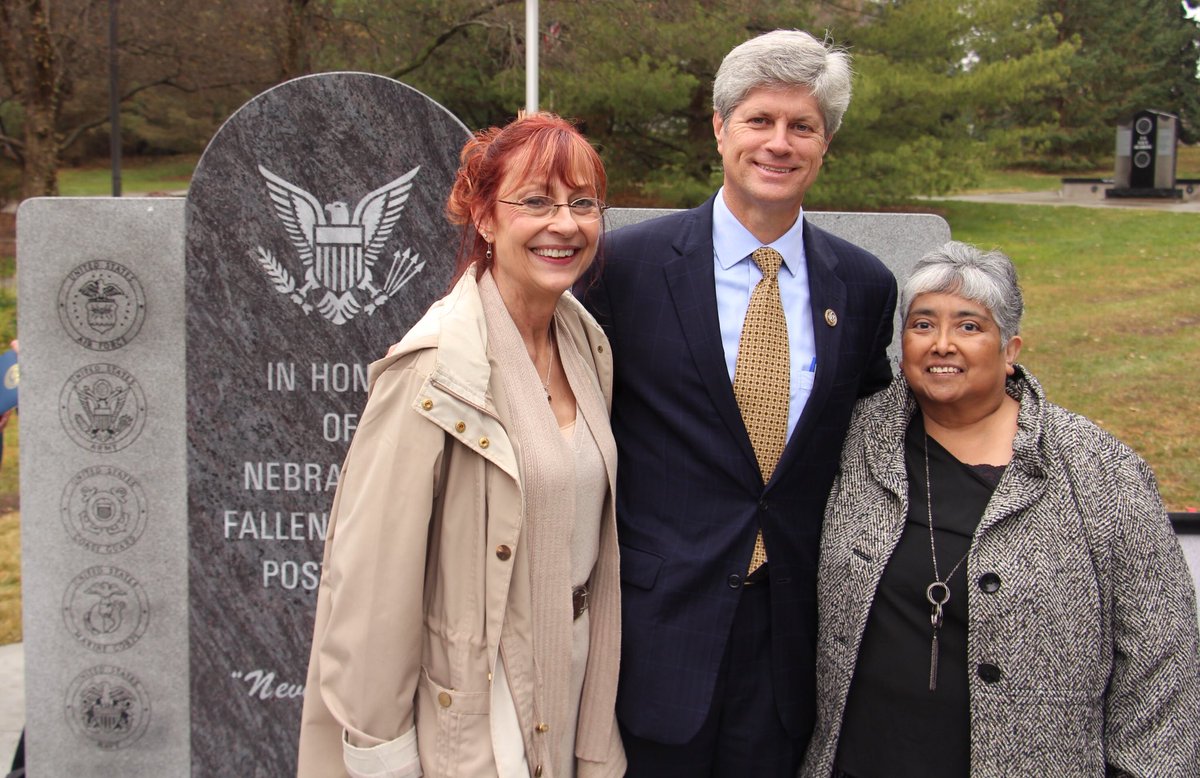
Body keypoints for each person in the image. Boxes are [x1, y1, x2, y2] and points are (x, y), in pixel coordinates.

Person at [580, 30, 897, 777]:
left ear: (825, 145)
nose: (779, 143)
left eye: (802, 126)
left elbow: (871, 438)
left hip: (789, 642)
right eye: (760, 120)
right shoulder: (624, 267)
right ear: (721, 129)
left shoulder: (863, 286)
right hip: (655, 633)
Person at [297, 113, 625, 778]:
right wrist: (381, 755)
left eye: (583, 203)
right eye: (536, 201)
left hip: (575, 678)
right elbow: (370, 586)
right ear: (484, 217)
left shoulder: (586, 344)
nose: (565, 224)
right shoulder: (432, 370)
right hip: (483, 701)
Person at [802, 242, 1200, 777]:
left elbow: (1162, 659)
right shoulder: (853, 441)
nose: (942, 344)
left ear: (1010, 349)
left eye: (969, 326)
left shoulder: (1100, 471)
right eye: (923, 324)